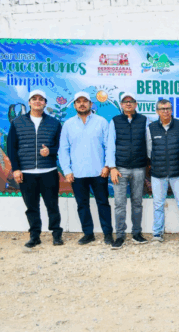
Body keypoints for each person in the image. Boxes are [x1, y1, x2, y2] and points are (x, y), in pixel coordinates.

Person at [8, 90, 63, 248]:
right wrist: (16, 169)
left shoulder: (54, 123)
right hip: (26, 173)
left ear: (45, 103)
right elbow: (11, 147)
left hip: (48, 172)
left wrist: (50, 151)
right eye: (34, 99)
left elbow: (60, 146)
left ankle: (56, 234)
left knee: (52, 205)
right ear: (29, 102)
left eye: (41, 99)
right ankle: (35, 236)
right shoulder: (17, 123)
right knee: (31, 207)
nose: (37, 101)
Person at [59, 91, 113, 246]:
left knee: (103, 203)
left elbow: (109, 146)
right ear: (75, 105)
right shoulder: (68, 124)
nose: (82, 104)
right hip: (77, 173)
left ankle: (107, 234)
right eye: (78, 101)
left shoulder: (101, 122)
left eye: (85, 101)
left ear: (90, 104)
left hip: (99, 172)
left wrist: (107, 165)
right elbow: (63, 149)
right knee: (82, 205)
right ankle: (88, 234)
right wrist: (67, 170)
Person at [147, 99, 179, 243]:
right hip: (158, 173)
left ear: (172, 110)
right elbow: (149, 150)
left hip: (178, 172)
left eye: (168, 108)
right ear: (157, 111)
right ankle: (157, 233)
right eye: (162, 109)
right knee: (158, 205)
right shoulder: (151, 128)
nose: (165, 111)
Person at [106, 93, 149, 249]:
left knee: (137, 203)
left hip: (139, 168)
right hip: (120, 169)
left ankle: (137, 233)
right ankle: (120, 236)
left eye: (131, 101)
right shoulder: (115, 121)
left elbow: (148, 143)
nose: (128, 104)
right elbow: (110, 145)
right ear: (121, 105)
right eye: (125, 102)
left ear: (136, 104)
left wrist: (148, 163)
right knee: (119, 204)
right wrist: (112, 167)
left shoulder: (144, 120)